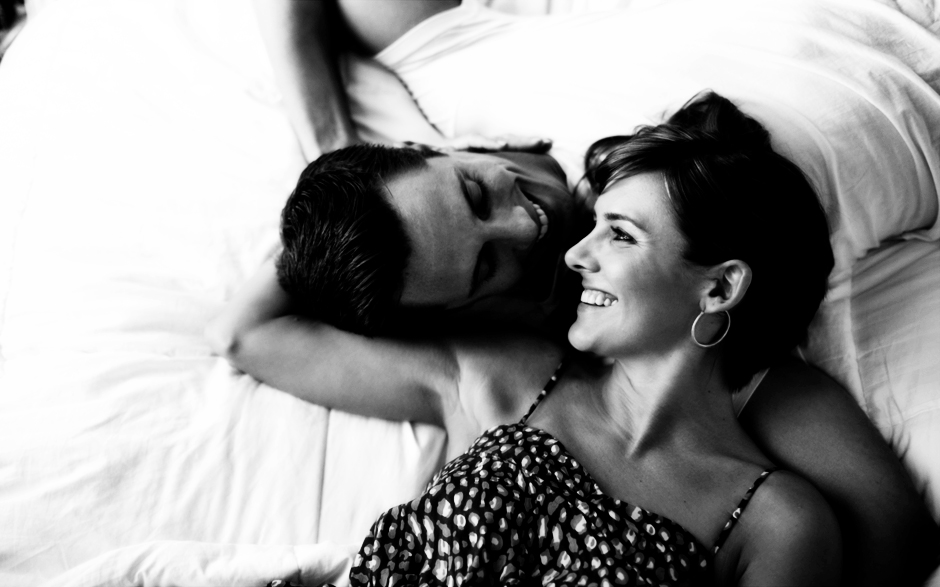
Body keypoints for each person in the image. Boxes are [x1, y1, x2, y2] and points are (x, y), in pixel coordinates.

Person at [224, 3, 940, 584]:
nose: (534, 229)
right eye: (482, 269)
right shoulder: (499, 368)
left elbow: (895, 535)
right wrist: (333, 160)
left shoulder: (772, 461)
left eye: (476, 191)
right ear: (467, 306)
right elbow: (249, 333)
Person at [275, 92, 845, 585]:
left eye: (618, 234)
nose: (574, 255)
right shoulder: (511, 375)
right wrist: (370, 186)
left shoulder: (778, 523)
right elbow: (247, 332)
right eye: (594, 225)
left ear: (719, 287)